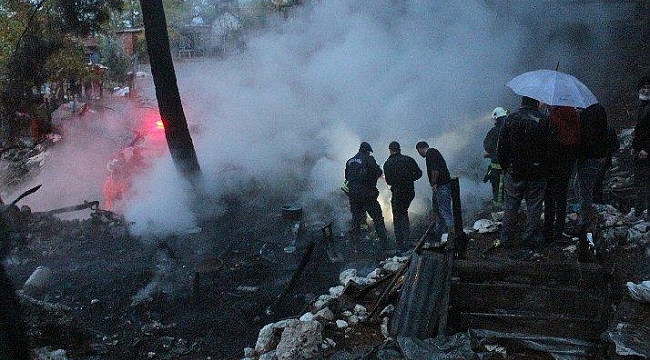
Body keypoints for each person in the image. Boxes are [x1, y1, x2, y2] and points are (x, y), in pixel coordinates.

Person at [497, 96, 551, 248]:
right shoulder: (544, 120)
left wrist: (505, 167)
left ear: (522, 102)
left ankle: (506, 238)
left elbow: (501, 146)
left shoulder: (511, 119)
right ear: (536, 103)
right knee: (534, 206)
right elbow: (550, 148)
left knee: (511, 205)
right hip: (537, 172)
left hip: (514, 171)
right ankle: (530, 237)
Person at [543, 106, 580, 243]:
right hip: (566, 162)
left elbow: (548, 140)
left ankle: (548, 230)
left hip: (552, 163)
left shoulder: (554, 116)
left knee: (549, 198)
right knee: (561, 197)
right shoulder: (573, 114)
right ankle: (558, 230)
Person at [345, 142, 389, 248]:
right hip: (367, 195)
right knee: (377, 218)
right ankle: (384, 243)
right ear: (367, 151)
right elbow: (378, 173)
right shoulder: (369, 159)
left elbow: (347, 178)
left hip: (354, 196)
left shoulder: (350, 161)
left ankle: (356, 245)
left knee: (356, 220)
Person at [575, 103, 610, 233]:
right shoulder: (598, 109)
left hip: (590, 157)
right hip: (594, 155)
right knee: (579, 187)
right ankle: (585, 216)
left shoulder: (590, 113)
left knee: (585, 190)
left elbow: (588, 137)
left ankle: (584, 222)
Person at [383, 141, 422, 250]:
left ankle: (400, 244)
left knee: (397, 218)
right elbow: (419, 173)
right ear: (399, 149)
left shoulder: (388, 163)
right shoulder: (409, 160)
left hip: (398, 193)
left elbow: (389, 181)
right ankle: (407, 240)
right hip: (409, 192)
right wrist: (409, 179)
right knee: (404, 213)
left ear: (390, 150)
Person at [416, 141, 454, 239]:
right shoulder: (434, 152)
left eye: (418, 151)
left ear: (420, 149)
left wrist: (434, 183)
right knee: (438, 210)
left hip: (441, 186)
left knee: (444, 210)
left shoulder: (431, 153)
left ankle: (452, 234)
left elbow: (435, 170)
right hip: (442, 185)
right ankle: (439, 233)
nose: (419, 154)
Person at [633, 75, 650, 218]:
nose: (645, 90)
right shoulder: (641, 105)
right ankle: (639, 211)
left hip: (646, 152)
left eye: (648, 88)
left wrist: (646, 149)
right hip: (640, 151)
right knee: (640, 182)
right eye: (643, 88)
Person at [483, 107, 508, 206]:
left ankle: (499, 213)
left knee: (498, 194)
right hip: (510, 169)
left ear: (496, 119)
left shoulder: (494, 132)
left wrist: (491, 153)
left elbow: (487, 146)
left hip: (497, 171)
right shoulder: (511, 129)